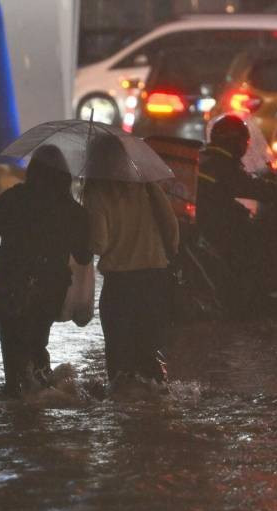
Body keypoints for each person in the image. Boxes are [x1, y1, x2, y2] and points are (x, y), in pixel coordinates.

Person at [0, 145, 92, 398]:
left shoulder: (15, 198)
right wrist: (83, 218)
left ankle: (20, 414)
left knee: (15, 360)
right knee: (37, 346)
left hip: (12, 287)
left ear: (32, 172)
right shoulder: (73, 211)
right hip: (51, 291)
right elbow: (84, 256)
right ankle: (44, 400)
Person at [84, 134, 180, 386]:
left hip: (121, 286)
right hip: (156, 280)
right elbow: (172, 229)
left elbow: (98, 243)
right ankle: (154, 412)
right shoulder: (148, 187)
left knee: (121, 364)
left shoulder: (97, 194)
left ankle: (125, 416)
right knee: (149, 356)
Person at [195, 114, 277, 316]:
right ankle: (276, 302)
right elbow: (255, 188)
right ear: (238, 143)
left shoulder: (204, 158)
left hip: (207, 227)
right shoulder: (223, 164)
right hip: (222, 232)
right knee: (275, 233)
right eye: (244, 142)